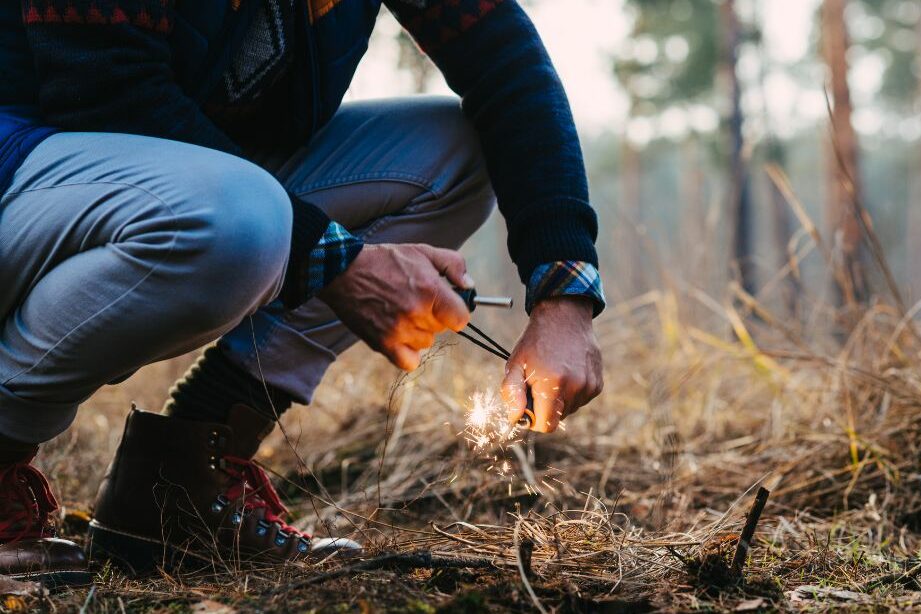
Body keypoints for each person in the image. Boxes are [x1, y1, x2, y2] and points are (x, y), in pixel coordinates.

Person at [0, 0, 605, 584]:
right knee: (245, 217)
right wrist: (341, 261)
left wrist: (563, 300)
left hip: (180, 173)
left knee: (455, 154)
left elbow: (504, 59)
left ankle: (178, 485)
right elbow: (103, 90)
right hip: (30, 160)